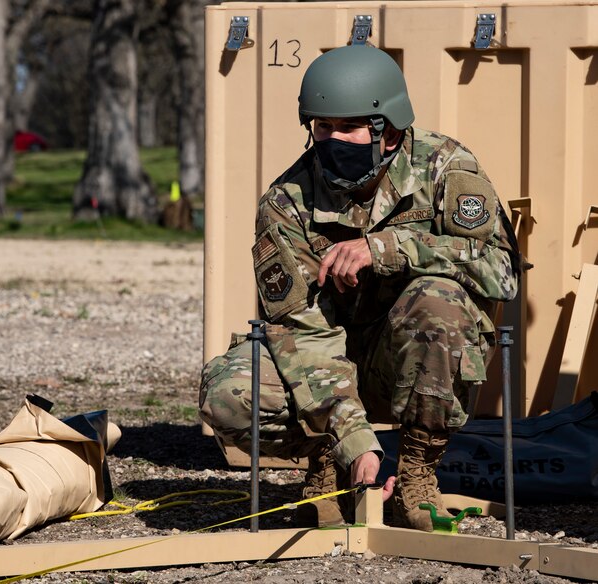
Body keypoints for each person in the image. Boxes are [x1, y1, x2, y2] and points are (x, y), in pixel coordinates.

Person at [199, 45, 521, 532]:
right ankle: (327, 470)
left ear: (387, 131)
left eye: (346, 127)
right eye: (321, 127)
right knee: (228, 392)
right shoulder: (287, 201)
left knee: (440, 302)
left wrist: (394, 247)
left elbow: (502, 272)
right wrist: (351, 435)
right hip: (328, 362)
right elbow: (297, 327)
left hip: (410, 359)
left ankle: (416, 476)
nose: (331, 139)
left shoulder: (446, 168)